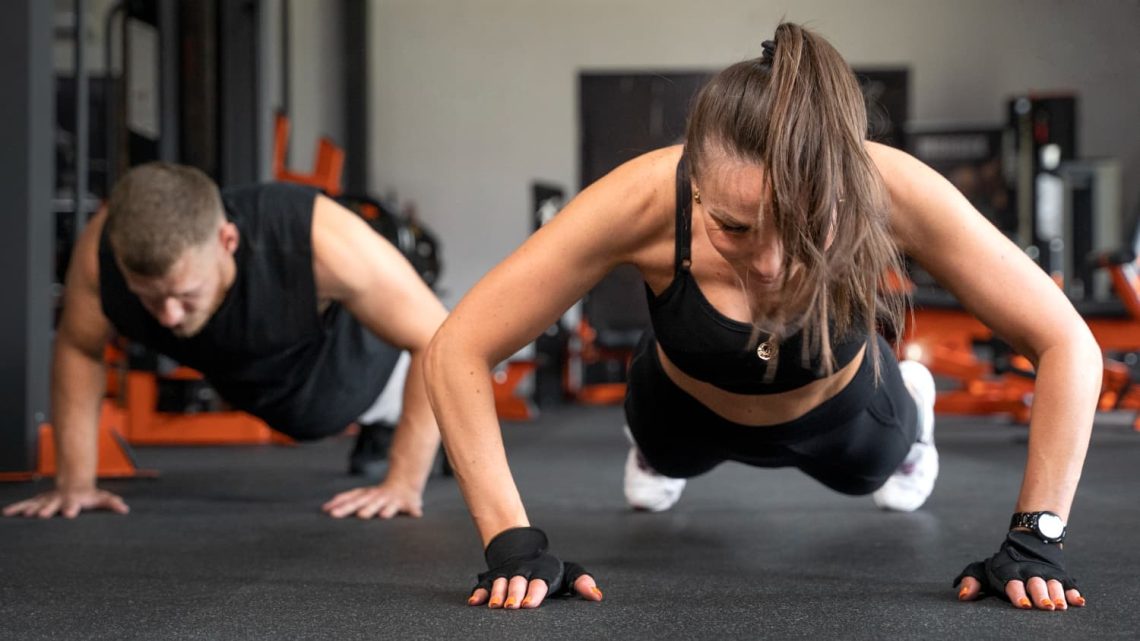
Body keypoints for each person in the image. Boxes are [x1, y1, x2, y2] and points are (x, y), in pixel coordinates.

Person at [424, 23, 1098, 611]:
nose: (771, 264)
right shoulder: (639, 200)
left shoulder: (890, 188)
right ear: (694, 185)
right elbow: (458, 347)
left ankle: (912, 409)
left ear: (844, 186)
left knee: (875, 471)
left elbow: (1066, 340)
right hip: (679, 408)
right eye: (733, 226)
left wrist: (1036, 538)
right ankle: (659, 454)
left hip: (845, 421)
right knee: (661, 445)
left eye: (805, 227)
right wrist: (511, 541)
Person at [3, 162, 448, 521]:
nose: (169, 316)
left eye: (185, 295)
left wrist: (403, 483)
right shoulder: (103, 251)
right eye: (149, 298)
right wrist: (75, 483)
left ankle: (409, 421)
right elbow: (80, 348)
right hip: (253, 371)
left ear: (227, 241)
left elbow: (436, 337)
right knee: (293, 416)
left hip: (344, 361)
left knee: (322, 412)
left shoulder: (318, 238)